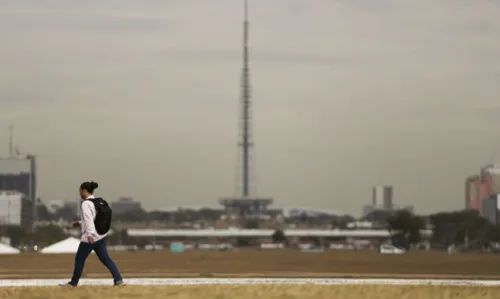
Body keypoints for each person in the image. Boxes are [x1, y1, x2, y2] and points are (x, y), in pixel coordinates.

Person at [60, 181, 124, 287]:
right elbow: (95, 219)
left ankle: (73, 283)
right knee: (106, 259)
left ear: (84, 190)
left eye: (80, 191)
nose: (79, 193)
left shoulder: (86, 204)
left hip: (90, 238)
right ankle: (118, 280)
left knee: (79, 259)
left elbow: (89, 219)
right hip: (100, 236)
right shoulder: (98, 202)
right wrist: (80, 223)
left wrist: (89, 235)